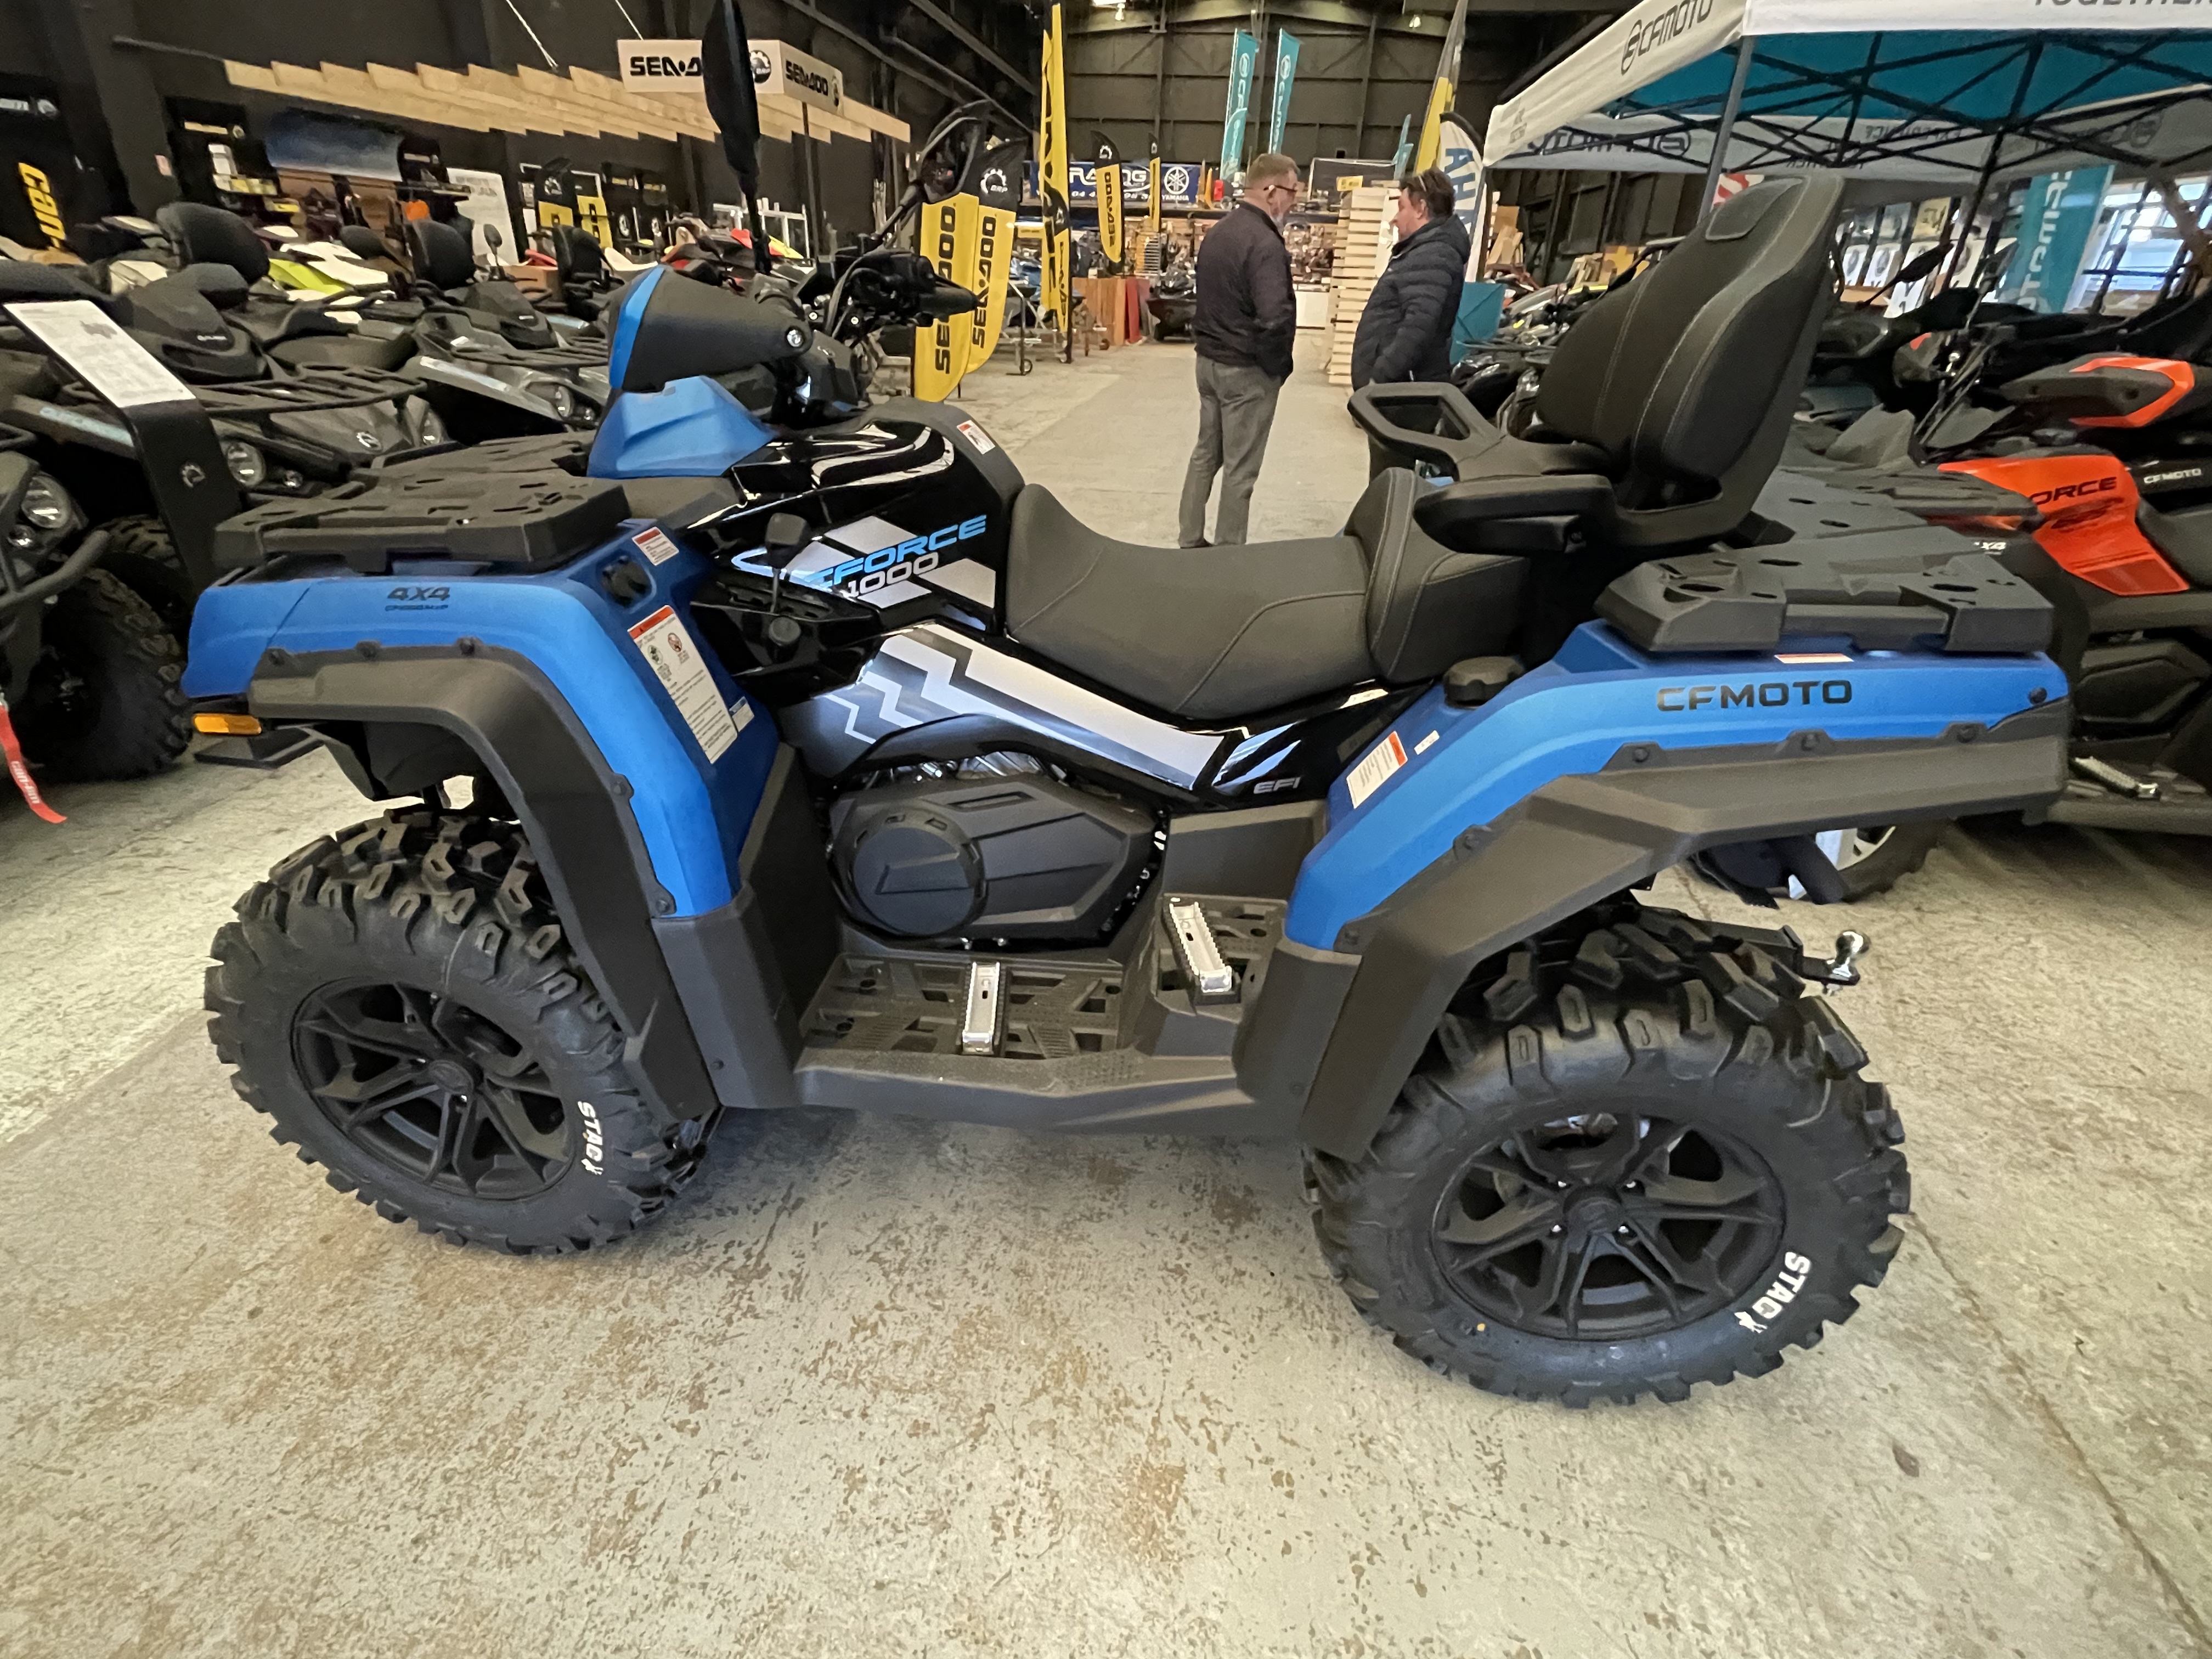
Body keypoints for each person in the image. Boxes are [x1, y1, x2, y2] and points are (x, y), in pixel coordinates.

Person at [1178, 152, 1299, 548]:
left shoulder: (1218, 233)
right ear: (1271, 190)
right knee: (1240, 471)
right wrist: (1277, 367)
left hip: (1209, 363)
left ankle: (1189, 538)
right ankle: (1229, 558)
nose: (1293, 201)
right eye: (1292, 192)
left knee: (1205, 455)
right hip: (1245, 370)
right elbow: (1274, 316)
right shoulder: (1264, 243)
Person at [1351, 167, 1470, 397]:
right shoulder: (1424, 251)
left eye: (1401, 207)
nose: (1395, 218)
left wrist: (1380, 377)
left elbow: (1418, 326)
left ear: (1421, 209)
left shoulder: (1433, 255)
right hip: (1400, 387)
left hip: (1402, 390)